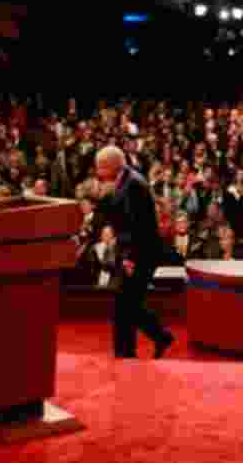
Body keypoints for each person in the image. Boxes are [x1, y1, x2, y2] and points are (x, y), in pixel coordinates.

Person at [95, 146, 174, 359]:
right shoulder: (123, 181)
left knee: (125, 305)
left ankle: (126, 353)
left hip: (141, 253)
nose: (98, 173)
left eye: (100, 168)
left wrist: (130, 258)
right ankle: (158, 337)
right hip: (134, 251)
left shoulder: (133, 185)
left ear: (111, 166)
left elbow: (139, 227)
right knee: (128, 304)